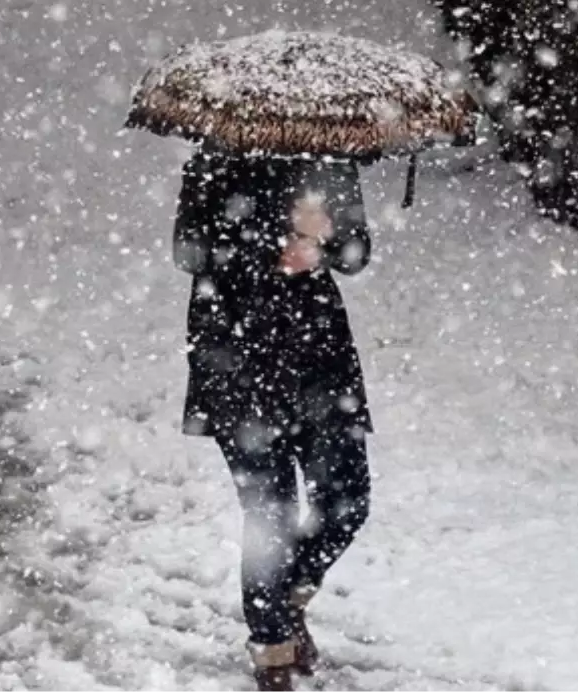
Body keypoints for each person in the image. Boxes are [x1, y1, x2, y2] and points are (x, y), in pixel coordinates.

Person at [173, 144, 374, 692]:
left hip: (319, 363)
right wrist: (276, 239)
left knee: (347, 502)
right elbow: (191, 252)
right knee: (271, 517)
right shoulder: (214, 161)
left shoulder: (330, 160)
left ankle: (288, 598)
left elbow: (357, 254)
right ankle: (272, 654)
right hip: (237, 361)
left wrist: (325, 239)